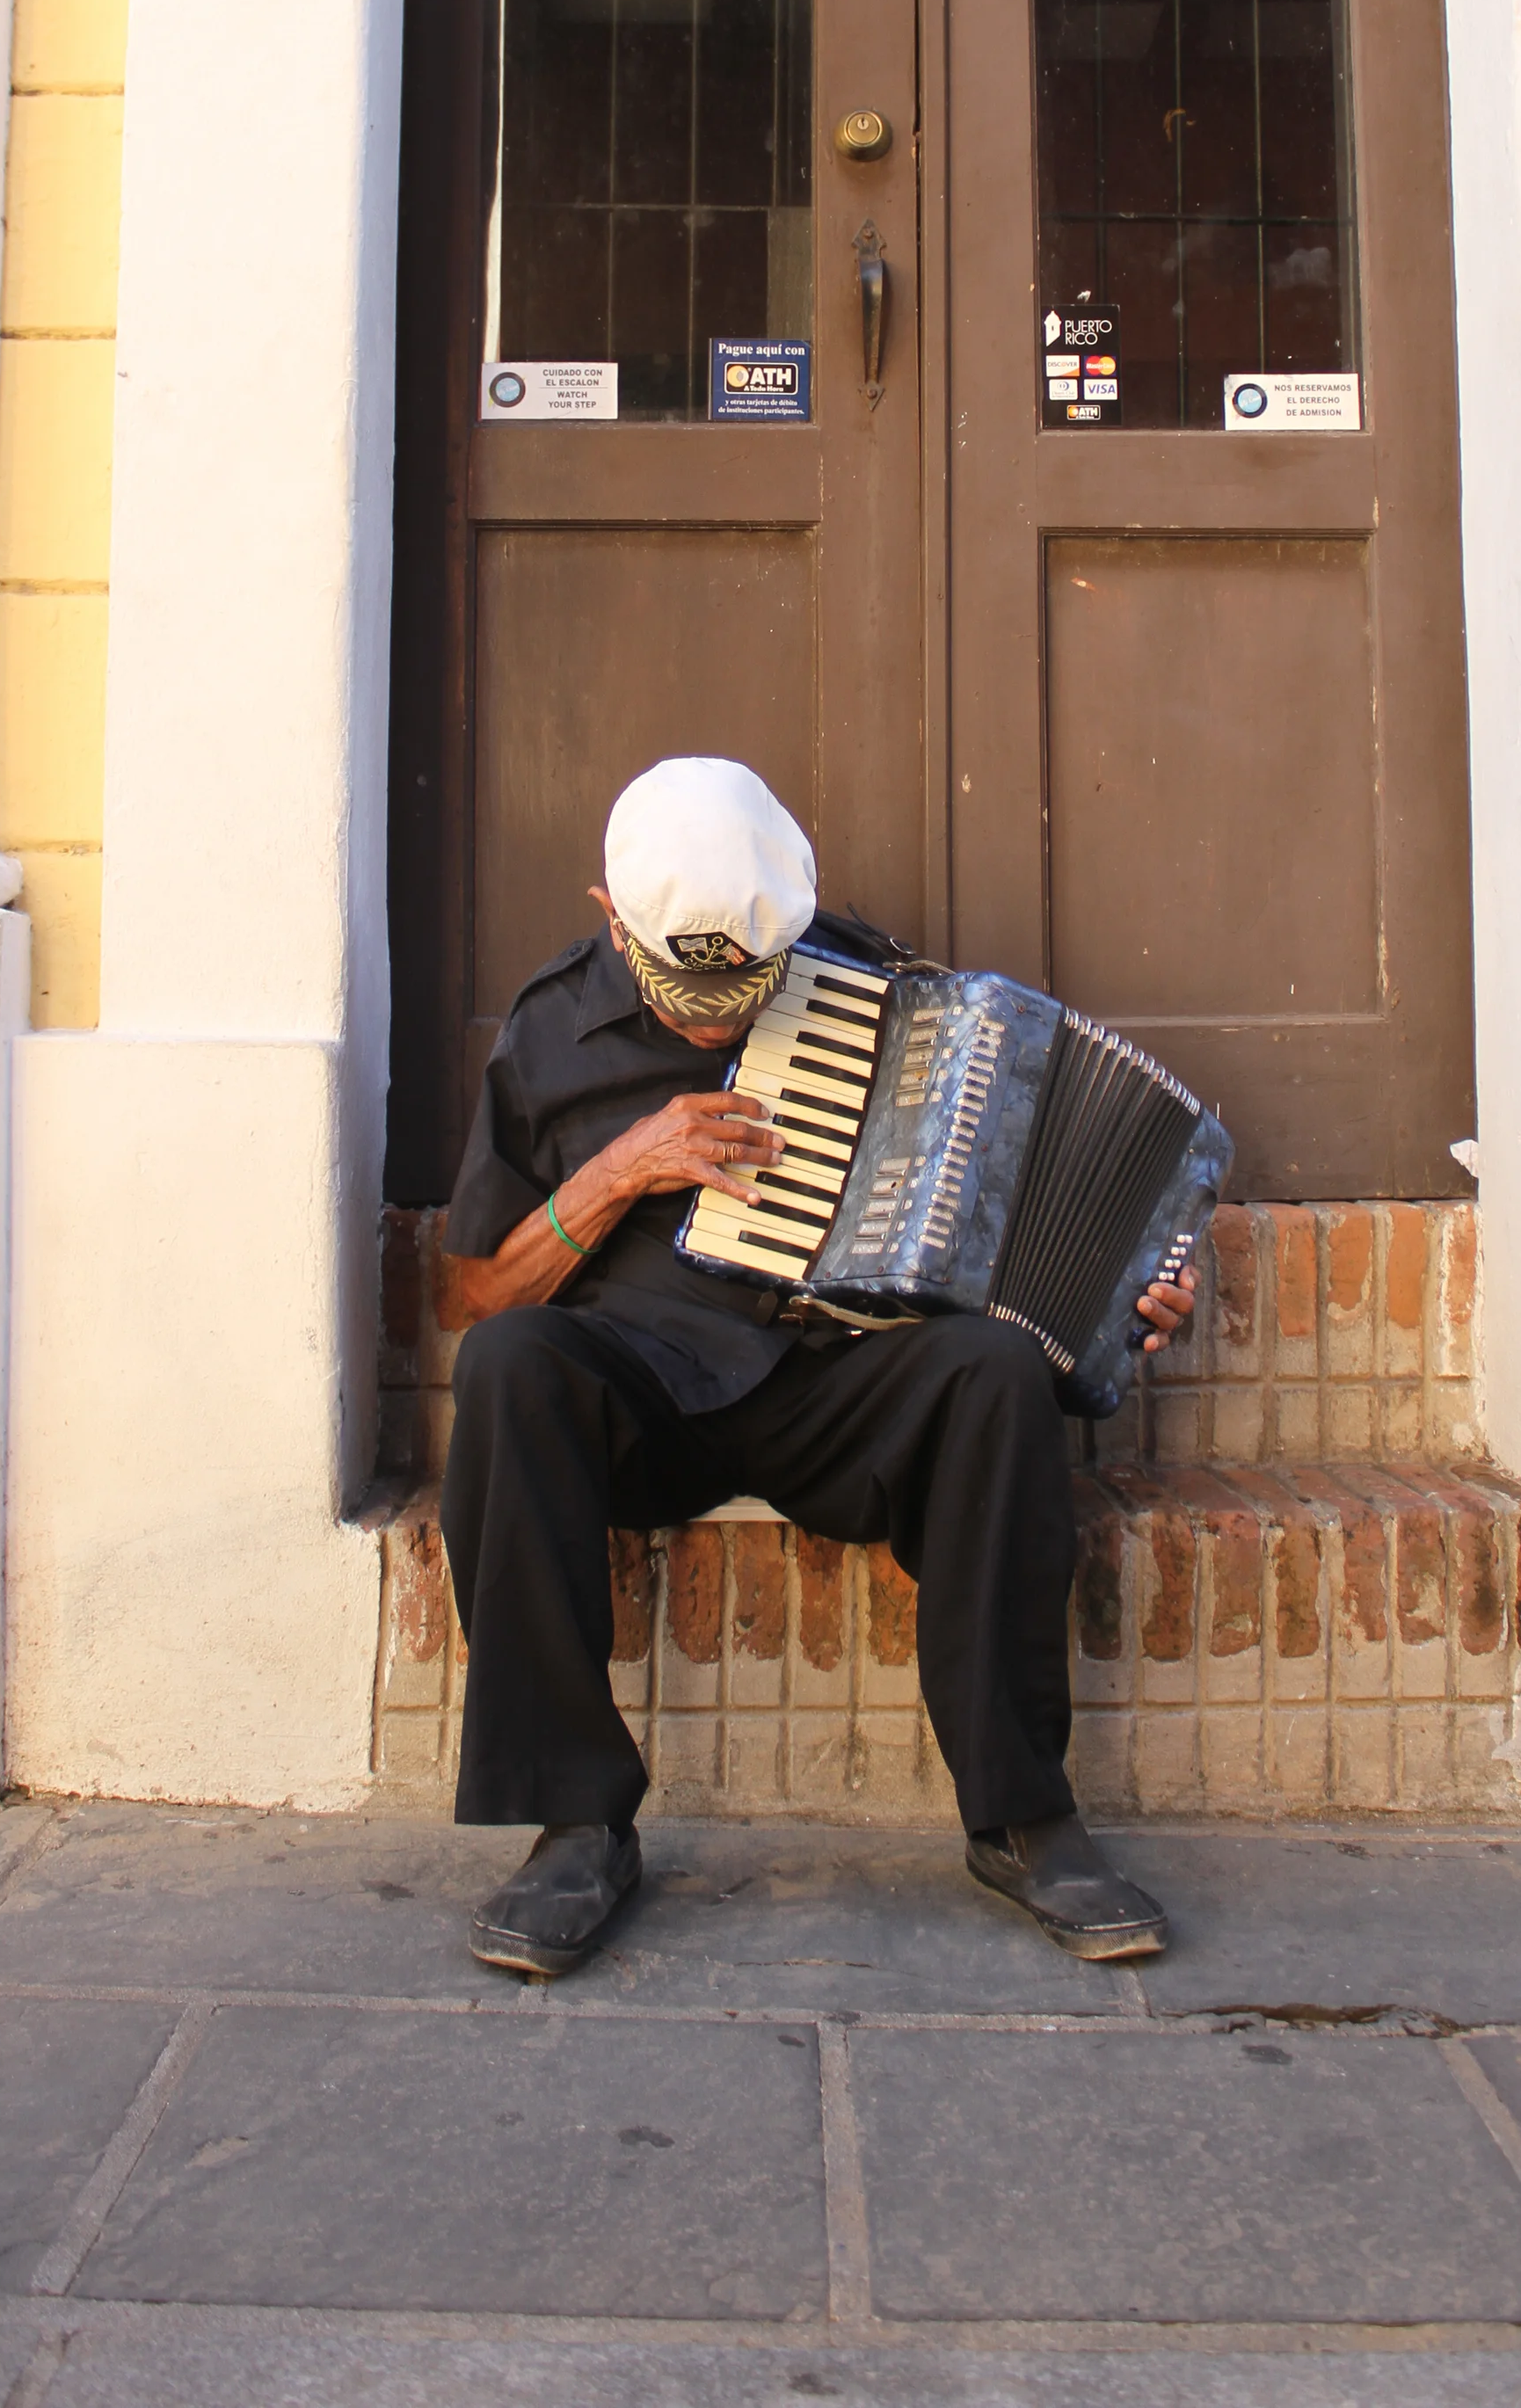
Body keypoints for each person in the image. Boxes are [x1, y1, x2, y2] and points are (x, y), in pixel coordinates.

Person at [440, 754, 1197, 1978]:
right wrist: (622, 1166)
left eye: (740, 986)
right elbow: (472, 1291)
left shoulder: (886, 988)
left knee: (996, 1370)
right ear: (607, 912)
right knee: (512, 1366)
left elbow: (1017, 1195)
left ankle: (1021, 1816)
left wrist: (1125, 1289)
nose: (712, 1018)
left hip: (835, 1383)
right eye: (683, 990)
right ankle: (576, 1826)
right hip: (645, 1390)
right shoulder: (549, 1027)